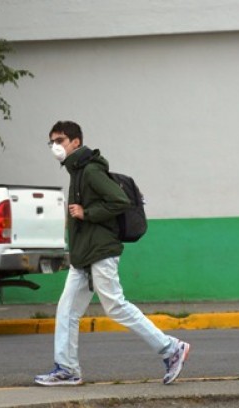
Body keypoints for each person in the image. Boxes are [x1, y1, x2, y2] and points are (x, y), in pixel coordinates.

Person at [35, 120, 190, 387]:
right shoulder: (76, 171)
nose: (55, 147)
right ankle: (67, 369)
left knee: (115, 306)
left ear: (75, 142)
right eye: (51, 142)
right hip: (84, 255)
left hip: (100, 251)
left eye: (59, 141)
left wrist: (88, 213)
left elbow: (120, 201)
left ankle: (170, 348)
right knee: (66, 311)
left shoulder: (91, 171)